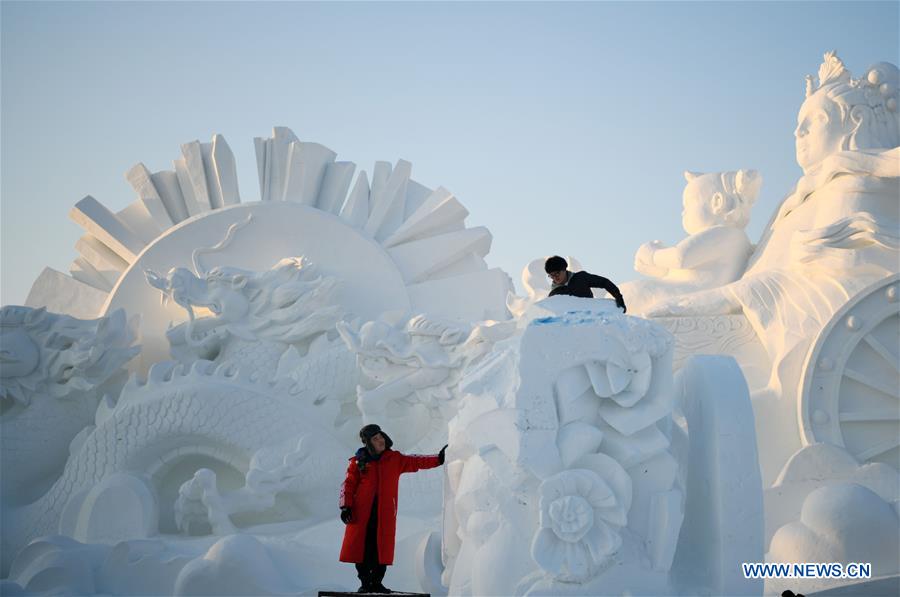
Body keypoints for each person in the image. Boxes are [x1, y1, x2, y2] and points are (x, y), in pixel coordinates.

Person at [339, 424, 447, 593]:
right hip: (361, 515)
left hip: (385, 514)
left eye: (380, 436)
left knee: (381, 548)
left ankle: (377, 583)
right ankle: (365, 584)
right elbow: (348, 484)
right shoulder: (358, 461)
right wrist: (346, 506)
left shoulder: (394, 459)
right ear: (368, 443)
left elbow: (416, 461)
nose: (380, 440)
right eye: (375, 439)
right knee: (362, 548)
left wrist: (439, 458)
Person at [544, 255, 627, 312]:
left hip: (591, 320)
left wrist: (618, 297)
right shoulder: (554, 295)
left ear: (564, 269)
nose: (555, 277)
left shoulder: (581, 278)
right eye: (551, 275)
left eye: (557, 273)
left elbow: (604, 282)